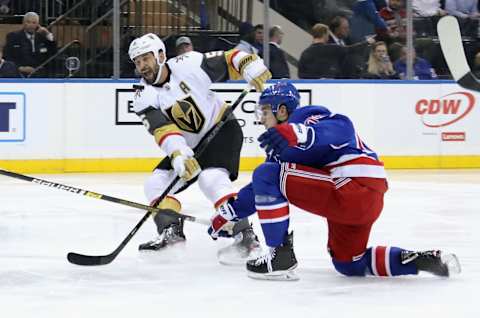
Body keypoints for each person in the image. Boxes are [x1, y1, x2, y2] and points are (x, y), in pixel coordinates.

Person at [207, 81, 461, 280]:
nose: (260, 118)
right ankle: (421, 260)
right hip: (361, 201)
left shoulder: (306, 118)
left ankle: (279, 256)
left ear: (282, 110)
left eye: (264, 111)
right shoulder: (281, 145)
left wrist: (298, 132)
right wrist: (228, 213)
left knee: (266, 174)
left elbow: (342, 129)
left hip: (352, 186)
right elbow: (260, 190)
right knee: (349, 263)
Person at [128, 33, 271, 261]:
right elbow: (162, 130)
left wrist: (250, 67)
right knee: (155, 183)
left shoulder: (189, 63)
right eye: (137, 62)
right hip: (190, 145)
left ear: (161, 55)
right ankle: (170, 231)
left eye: (146, 58)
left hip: (222, 129)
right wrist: (179, 155)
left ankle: (245, 234)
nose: (142, 66)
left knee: (211, 179)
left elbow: (231, 58)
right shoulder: (142, 96)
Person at [2, 11, 57, 77]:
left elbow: (53, 53)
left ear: (37, 24)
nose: (31, 25)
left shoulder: (42, 37)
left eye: (34, 23)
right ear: (23, 23)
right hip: (19, 73)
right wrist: (20, 68)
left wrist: (48, 34)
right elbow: (7, 56)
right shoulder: (13, 36)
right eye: (28, 22)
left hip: (40, 74)